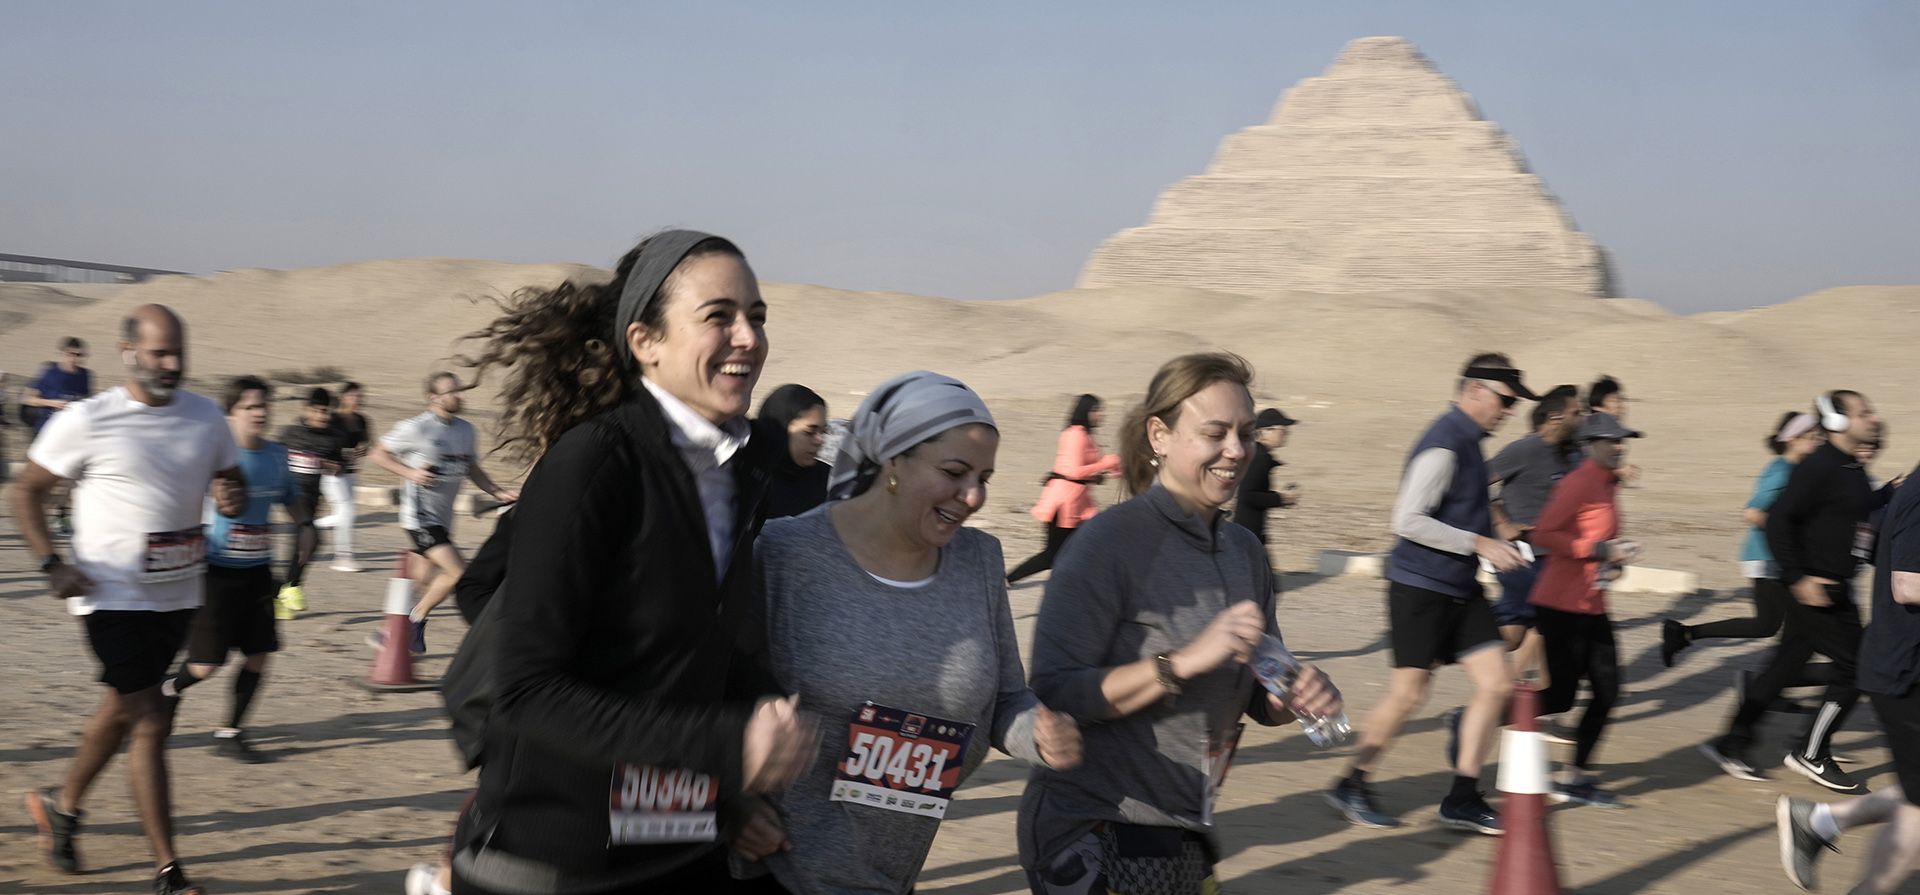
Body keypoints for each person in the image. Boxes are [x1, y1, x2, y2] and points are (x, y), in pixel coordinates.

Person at [450, 230, 814, 894]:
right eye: (719, 316)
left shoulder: (743, 464)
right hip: (561, 861)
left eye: (757, 317)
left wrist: (737, 781)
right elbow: (529, 695)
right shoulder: (594, 464)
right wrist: (726, 743)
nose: (749, 338)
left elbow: (689, 649)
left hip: (681, 845)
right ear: (645, 341)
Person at [742, 370, 1084, 893]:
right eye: (954, 471)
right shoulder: (787, 552)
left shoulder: (980, 560)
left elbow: (1005, 699)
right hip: (780, 866)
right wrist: (731, 805)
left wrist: (1037, 733)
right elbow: (714, 692)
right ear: (894, 458)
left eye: (985, 478)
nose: (972, 496)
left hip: (893, 872)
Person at [1020, 353, 1343, 894]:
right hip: (1093, 830)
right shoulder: (1107, 545)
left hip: (1187, 832)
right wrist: (1185, 661)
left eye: (1246, 433)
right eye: (1214, 433)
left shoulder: (1245, 553)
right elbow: (1052, 693)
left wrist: (1294, 696)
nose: (1236, 451)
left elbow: (1261, 697)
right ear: (1159, 436)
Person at [15, 305, 245, 895]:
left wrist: (231, 493)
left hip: (179, 593)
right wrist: (50, 563)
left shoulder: (207, 418)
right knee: (149, 719)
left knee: (120, 710)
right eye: (160, 353)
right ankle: (169, 871)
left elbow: (230, 483)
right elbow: (25, 491)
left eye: (179, 354)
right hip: (108, 594)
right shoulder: (90, 419)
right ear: (128, 352)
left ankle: (60, 808)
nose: (172, 365)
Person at [1327, 353, 1533, 835]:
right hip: (1420, 587)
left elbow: (1466, 509)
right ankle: (1351, 782)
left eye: (1513, 404)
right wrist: (1480, 543)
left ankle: (1462, 796)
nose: (1509, 412)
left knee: (1498, 683)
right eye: (1505, 401)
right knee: (1409, 694)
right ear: (1475, 391)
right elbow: (1407, 520)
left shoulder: (1470, 442)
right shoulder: (1444, 443)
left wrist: (1501, 540)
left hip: (1461, 587)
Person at [1703, 391, 1886, 792]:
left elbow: (1854, 509)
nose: (1872, 418)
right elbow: (1777, 522)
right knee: (1858, 668)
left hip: (1836, 589)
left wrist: (1891, 492)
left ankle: (1732, 742)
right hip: (1814, 590)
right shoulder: (1817, 467)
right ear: (1837, 420)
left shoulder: (1848, 467)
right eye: (1863, 412)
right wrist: (1798, 578)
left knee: (1784, 666)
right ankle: (1811, 751)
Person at [161, 376, 315, 762]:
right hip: (214, 573)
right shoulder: (210, 456)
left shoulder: (277, 456)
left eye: (264, 405)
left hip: (258, 572)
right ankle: (168, 691)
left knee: (260, 653)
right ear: (228, 415)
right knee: (205, 665)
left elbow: (290, 497)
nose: (259, 413)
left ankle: (230, 731)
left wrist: (305, 525)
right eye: (249, 407)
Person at [1527, 412, 1643, 808]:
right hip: (1560, 603)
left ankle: (1575, 775)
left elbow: (1598, 537)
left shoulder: (1607, 484)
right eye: (1612, 441)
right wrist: (1597, 550)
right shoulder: (1580, 482)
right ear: (1590, 443)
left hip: (1592, 602)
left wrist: (1614, 559)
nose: (1620, 446)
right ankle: (1482, 713)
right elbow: (1543, 533)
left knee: (1608, 692)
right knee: (1560, 697)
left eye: (1622, 440)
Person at [1662, 413, 1830, 678]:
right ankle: (1767, 684)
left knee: (1772, 625)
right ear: (1793, 440)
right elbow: (1751, 513)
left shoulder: (1791, 470)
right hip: (1766, 560)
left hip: (1776, 559)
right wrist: (1788, 529)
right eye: (1812, 438)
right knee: (1778, 625)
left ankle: (1686, 635)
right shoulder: (1782, 474)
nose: (1818, 443)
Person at [367, 371, 517, 655]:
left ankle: (385, 633)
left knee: (422, 579)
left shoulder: (466, 430)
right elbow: (378, 454)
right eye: (451, 391)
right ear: (433, 398)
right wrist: (410, 472)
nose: (458, 396)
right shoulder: (416, 428)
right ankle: (416, 619)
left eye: (459, 390)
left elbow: (472, 468)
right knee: (459, 572)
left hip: (444, 519)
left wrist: (498, 492)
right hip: (419, 517)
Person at [1485, 386, 1582, 668]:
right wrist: (1502, 521)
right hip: (1521, 555)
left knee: (1519, 633)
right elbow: (1471, 483)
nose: (1580, 418)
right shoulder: (1525, 449)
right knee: (1545, 619)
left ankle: (1514, 697)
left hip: (1551, 556)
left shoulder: (1567, 454)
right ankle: (1448, 642)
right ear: (1555, 417)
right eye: (1575, 413)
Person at [1008, 394, 1120, 584]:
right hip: (1063, 505)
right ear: (1085, 411)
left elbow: (1084, 472)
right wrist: (1105, 463)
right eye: (1097, 410)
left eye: (1101, 410)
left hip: (1079, 505)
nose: (1101, 415)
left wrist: (1105, 473)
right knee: (1052, 555)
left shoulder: (1086, 435)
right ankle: (1005, 579)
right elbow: (1073, 471)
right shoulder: (1076, 434)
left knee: (1091, 543)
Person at [273, 387, 342, 618]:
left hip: (312, 497)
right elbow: (272, 455)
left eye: (327, 412)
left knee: (303, 545)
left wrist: (335, 466)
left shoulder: (332, 438)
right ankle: (291, 588)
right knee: (310, 537)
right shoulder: (290, 433)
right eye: (320, 411)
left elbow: (339, 466)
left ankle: (280, 597)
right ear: (307, 410)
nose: (324, 416)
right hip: (291, 494)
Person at [21, 336, 94, 533]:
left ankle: (61, 514)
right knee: (42, 481)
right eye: (71, 354)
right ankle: (35, 516)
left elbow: (86, 401)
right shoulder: (49, 373)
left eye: (79, 355)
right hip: (45, 432)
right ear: (62, 354)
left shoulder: (85, 376)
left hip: (72, 435)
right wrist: (53, 403)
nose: (75, 359)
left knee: (73, 478)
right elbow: (29, 399)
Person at [754, 383, 831, 520]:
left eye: (823, 431)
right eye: (810, 432)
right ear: (780, 429)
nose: (820, 440)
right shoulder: (748, 481)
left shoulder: (830, 480)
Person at [317, 380, 371, 572]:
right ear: (341, 397)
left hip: (350, 473)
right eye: (352, 395)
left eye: (359, 395)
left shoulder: (361, 419)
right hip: (331, 474)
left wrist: (360, 452)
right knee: (346, 513)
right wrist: (330, 460)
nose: (357, 399)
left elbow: (366, 444)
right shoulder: (332, 419)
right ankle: (343, 558)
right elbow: (319, 444)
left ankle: (310, 525)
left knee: (344, 515)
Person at [1230, 406, 1300, 546]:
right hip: (1249, 533)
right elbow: (1248, 495)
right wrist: (1281, 498)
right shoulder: (1260, 457)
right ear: (1264, 432)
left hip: (1248, 531)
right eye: (1282, 429)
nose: (1286, 433)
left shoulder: (1256, 453)